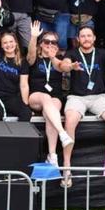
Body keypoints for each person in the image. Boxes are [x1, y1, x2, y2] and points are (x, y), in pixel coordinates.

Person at [59, 26, 105, 187]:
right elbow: (64, 65)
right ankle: (66, 168)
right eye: (83, 36)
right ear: (78, 39)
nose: (86, 39)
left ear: (94, 38)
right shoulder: (72, 53)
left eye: (89, 36)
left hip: (99, 97)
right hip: (77, 97)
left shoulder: (102, 53)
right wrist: (70, 67)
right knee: (69, 122)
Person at [26, 23, 74, 167]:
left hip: (54, 98)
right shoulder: (35, 57)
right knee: (46, 98)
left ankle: (52, 156)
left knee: (51, 113)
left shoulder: (57, 60)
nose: (50, 44)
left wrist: (53, 57)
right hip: (36, 96)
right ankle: (62, 133)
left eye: (53, 42)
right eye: (47, 41)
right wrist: (34, 37)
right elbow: (30, 55)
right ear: (41, 44)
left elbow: (63, 67)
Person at [0, 0, 32, 122]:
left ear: (16, 43)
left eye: (11, 42)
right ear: (1, 45)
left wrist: (25, 104)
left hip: (10, 96)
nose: (8, 45)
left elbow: (24, 85)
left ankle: (19, 135)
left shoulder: (22, 61)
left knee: (26, 113)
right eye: (5, 43)